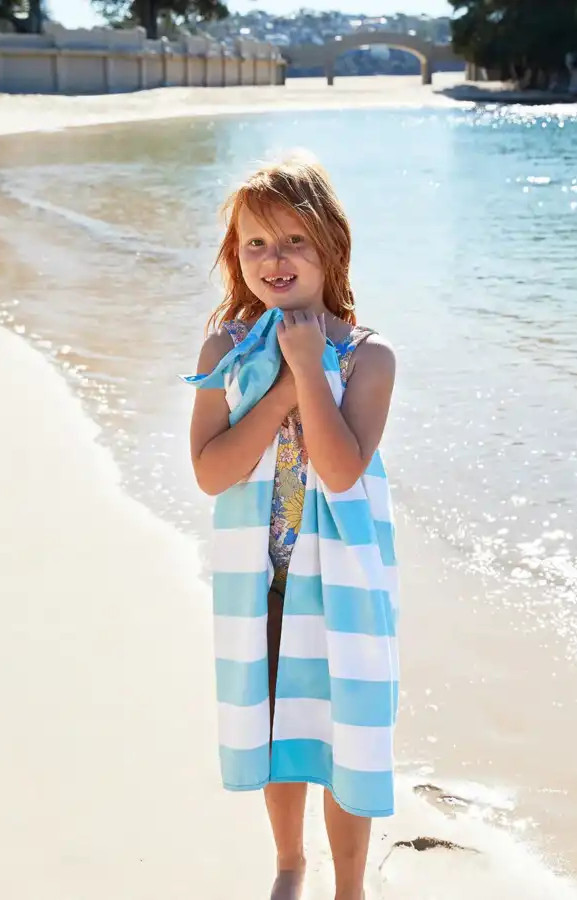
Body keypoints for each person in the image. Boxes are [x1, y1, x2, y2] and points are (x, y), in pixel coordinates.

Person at [188, 152, 398, 900]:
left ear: (330, 245)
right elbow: (211, 472)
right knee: (279, 725)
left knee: (345, 732)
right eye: (256, 243)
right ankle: (288, 863)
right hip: (262, 578)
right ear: (235, 256)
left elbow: (340, 472)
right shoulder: (223, 351)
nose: (273, 259)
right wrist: (279, 387)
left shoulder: (368, 357)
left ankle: (350, 886)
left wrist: (311, 369)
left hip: (340, 583)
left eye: (293, 241)